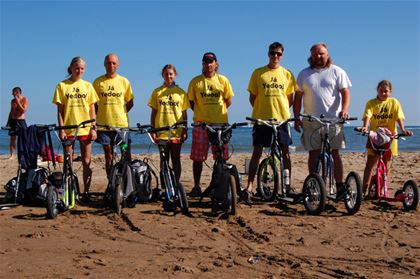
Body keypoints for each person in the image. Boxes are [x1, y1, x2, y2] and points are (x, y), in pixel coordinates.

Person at [294, 42, 352, 198]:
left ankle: (339, 186)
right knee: (313, 153)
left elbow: (345, 93)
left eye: (321, 53)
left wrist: (344, 110)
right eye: (315, 54)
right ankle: (314, 185)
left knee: (335, 153)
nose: (318, 56)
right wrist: (296, 117)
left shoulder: (337, 71)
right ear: (310, 56)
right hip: (311, 120)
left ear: (327, 54)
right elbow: (298, 97)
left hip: (333, 120)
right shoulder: (304, 74)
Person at [245, 42, 298, 200]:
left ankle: (287, 187)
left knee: (285, 153)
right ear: (268, 54)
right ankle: (250, 185)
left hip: (281, 120)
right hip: (262, 120)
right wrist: (263, 109)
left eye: (278, 54)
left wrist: (279, 110)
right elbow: (252, 97)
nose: (275, 56)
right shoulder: (258, 73)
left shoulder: (287, 74)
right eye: (273, 53)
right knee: (257, 152)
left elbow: (289, 99)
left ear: (282, 55)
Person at [187, 52, 234, 197]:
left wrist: (217, 114)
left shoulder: (223, 80)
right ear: (202, 64)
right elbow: (191, 102)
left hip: (220, 124)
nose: (208, 64)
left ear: (216, 64)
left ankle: (217, 185)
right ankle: (196, 186)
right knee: (197, 158)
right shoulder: (195, 82)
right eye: (206, 62)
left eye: (211, 62)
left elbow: (228, 101)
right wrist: (202, 114)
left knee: (221, 157)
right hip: (201, 125)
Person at [52, 56, 98, 202]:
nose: (79, 70)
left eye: (82, 68)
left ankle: (86, 192)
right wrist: (61, 129)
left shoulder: (88, 86)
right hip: (69, 128)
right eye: (77, 68)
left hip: (85, 128)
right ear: (71, 68)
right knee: (68, 162)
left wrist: (93, 128)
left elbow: (92, 109)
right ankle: (68, 191)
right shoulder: (62, 85)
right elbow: (60, 110)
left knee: (86, 161)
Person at [361, 80, 412, 197]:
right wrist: (365, 127)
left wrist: (403, 130)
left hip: (390, 138)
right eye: (381, 91)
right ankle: (363, 191)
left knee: (386, 166)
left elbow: (399, 117)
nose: (383, 93)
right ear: (377, 90)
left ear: (390, 91)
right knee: (369, 165)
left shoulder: (394, 102)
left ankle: (383, 189)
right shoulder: (371, 103)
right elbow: (367, 115)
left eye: (386, 91)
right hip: (375, 137)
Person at [93, 53, 134, 176]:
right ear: (104, 64)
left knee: (126, 153)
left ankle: (128, 182)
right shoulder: (98, 82)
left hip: (121, 126)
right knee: (108, 156)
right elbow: (93, 104)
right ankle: (111, 182)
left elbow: (130, 102)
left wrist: (120, 112)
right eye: (108, 63)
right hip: (103, 126)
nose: (111, 65)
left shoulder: (124, 81)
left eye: (114, 63)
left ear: (118, 65)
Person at [148, 64, 188, 184]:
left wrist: (185, 130)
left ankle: (176, 184)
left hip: (176, 131)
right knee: (164, 159)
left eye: (171, 74)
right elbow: (154, 112)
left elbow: (184, 113)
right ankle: (165, 185)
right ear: (162, 75)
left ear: (175, 75)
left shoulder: (181, 92)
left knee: (176, 159)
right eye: (166, 74)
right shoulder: (157, 92)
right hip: (162, 131)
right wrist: (153, 130)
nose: (168, 76)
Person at [6, 87, 28, 159]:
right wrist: (8, 122)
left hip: (21, 121)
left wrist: (18, 101)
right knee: (12, 138)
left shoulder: (24, 99)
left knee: (24, 138)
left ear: (17, 92)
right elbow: (11, 111)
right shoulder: (12, 101)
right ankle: (12, 155)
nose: (12, 94)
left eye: (13, 92)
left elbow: (23, 111)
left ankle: (25, 154)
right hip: (13, 121)